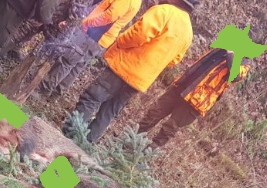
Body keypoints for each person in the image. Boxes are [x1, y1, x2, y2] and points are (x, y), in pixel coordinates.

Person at [66, 0, 194, 144]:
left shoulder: (164, 11)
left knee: (91, 97)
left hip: (123, 66)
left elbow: (139, 34)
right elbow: (174, 60)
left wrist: (120, 41)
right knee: (109, 112)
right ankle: (84, 145)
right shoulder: (188, 32)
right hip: (141, 80)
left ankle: (68, 137)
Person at [138, 48, 253, 147]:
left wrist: (230, 54)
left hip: (197, 101)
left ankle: (145, 154)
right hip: (182, 86)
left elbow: (235, 76)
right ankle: (133, 139)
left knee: (169, 128)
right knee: (155, 112)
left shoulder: (244, 64)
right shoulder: (222, 48)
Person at [39, 0, 143, 96]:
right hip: (101, 38)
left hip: (95, 34)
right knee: (78, 65)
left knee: (67, 60)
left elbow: (110, 16)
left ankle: (44, 88)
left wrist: (87, 23)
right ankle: (56, 92)